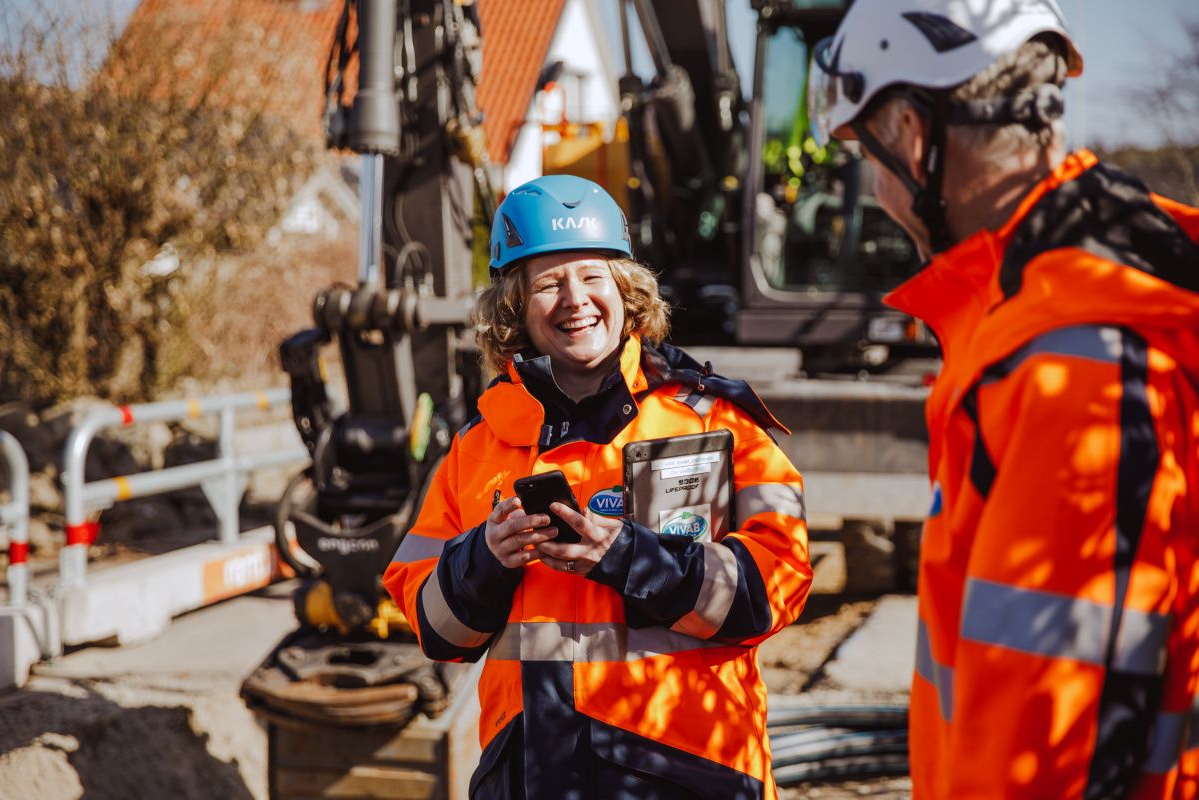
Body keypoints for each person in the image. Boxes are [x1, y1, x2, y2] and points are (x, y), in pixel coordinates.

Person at [809, 1, 1199, 797]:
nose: (877, 188)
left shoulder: (1074, 365)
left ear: (915, 139)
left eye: (870, 155)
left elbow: (1056, 749)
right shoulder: (1065, 295)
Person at [383, 174, 811, 799]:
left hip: (689, 774)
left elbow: (780, 584)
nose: (574, 299)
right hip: (530, 776)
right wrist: (485, 558)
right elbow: (433, 628)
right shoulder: (477, 449)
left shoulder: (714, 422)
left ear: (625, 287)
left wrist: (631, 559)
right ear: (515, 306)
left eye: (590, 276)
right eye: (548, 283)